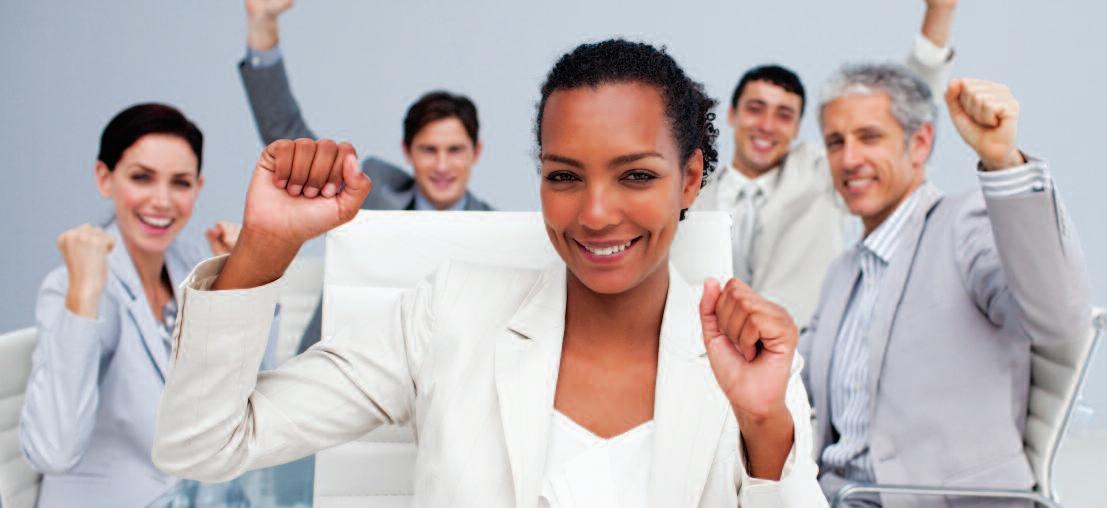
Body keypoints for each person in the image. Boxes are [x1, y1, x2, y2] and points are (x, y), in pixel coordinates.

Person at [152, 40, 828, 506]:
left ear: (688, 178)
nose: (595, 213)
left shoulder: (751, 359)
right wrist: (265, 249)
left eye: (635, 176)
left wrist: (763, 426)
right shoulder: (449, 316)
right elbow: (201, 446)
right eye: (564, 176)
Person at [799, 64, 1091, 507]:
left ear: (919, 143)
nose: (849, 158)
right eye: (836, 142)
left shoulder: (965, 226)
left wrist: (1003, 163)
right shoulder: (843, 272)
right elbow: (797, 378)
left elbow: (1058, 317)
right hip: (836, 497)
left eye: (869, 137)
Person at [18, 104, 279, 508]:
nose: (162, 201)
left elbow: (251, 403)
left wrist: (245, 283)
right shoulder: (72, 286)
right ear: (104, 178)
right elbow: (53, 450)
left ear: (198, 188)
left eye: (180, 183)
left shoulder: (190, 267)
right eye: (142, 177)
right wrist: (84, 294)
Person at [241, 0, 494, 351]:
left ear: (475, 153)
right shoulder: (370, 194)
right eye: (428, 150)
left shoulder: (494, 232)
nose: (441, 165)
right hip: (339, 366)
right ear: (407, 151)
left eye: (454, 150)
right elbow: (287, 136)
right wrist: (262, 26)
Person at [693, 0, 959, 325]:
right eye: (755, 109)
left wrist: (939, 13)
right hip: (702, 350)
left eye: (784, 115)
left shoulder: (822, 174)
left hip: (801, 350)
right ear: (732, 114)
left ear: (797, 129)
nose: (767, 125)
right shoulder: (690, 194)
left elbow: (905, 105)